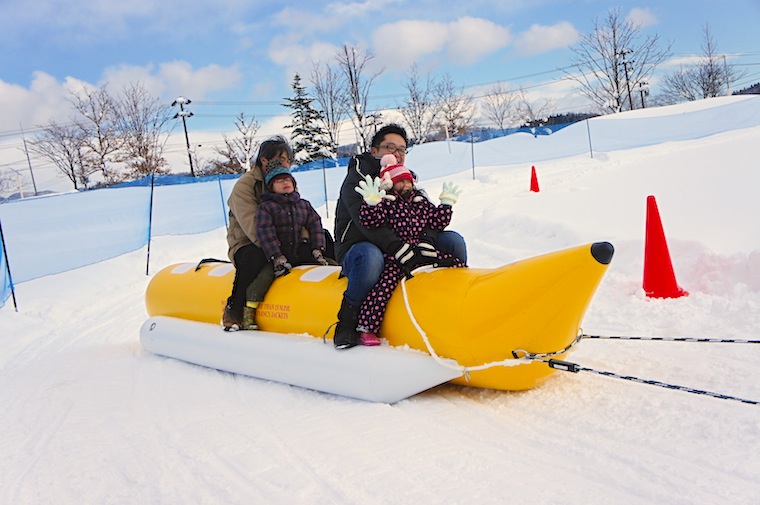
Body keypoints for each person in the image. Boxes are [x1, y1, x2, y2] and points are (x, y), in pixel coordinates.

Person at [332, 123, 468, 349]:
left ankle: (454, 303)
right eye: (390, 147)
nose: (397, 153)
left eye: (402, 149)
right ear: (374, 151)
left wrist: (426, 241)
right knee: (371, 256)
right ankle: (348, 321)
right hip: (360, 249)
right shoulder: (358, 180)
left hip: (404, 247)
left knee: (452, 241)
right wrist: (399, 248)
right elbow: (368, 225)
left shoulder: (404, 181)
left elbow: (427, 216)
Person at [242, 162, 332, 329]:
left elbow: (315, 225)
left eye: (287, 179)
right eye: (279, 181)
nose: (285, 183)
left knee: (331, 268)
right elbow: (265, 233)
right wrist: (276, 256)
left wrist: (317, 249)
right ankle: (249, 312)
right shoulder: (267, 208)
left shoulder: (303, 204)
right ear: (271, 187)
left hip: (299, 252)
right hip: (277, 256)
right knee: (263, 280)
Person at [222, 136, 295, 331]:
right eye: (282, 159)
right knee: (255, 257)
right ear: (264, 160)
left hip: (281, 240)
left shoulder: (284, 181)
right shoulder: (244, 187)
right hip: (249, 242)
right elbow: (254, 227)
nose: (287, 164)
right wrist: (278, 249)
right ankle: (234, 308)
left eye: (288, 160)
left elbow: (299, 214)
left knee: (322, 238)